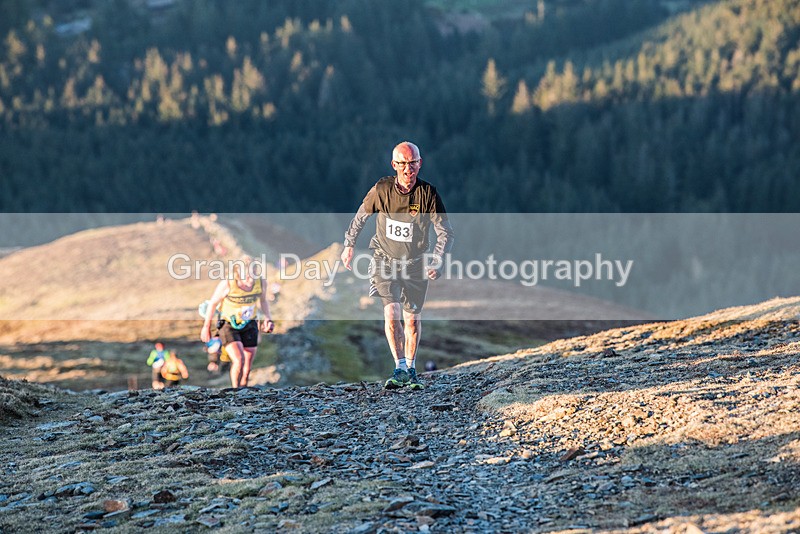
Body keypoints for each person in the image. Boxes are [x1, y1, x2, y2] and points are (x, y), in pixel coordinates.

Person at [342, 141, 454, 390]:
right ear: (394, 165)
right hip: (384, 260)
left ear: (419, 164)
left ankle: (412, 369)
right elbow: (361, 216)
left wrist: (437, 257)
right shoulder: (382, 189)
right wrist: (349, 244)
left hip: (415, 264)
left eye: (412, 163)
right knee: (392, 313)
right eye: (402, 164)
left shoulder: (428, 194)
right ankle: (399, 367)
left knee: (412, 320)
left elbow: (445, 232)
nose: (408, 169)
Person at [200, 256, 274, 388]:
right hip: (228, 324)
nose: (249, 280)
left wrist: (268, 318)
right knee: (239, 360)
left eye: (252, 274)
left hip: (250, 323)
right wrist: (206, 327)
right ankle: (236, 391)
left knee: (247, 366)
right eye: (246, 276)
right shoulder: (228, 283)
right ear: (238, 272)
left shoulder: (261, 282)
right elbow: (212, 304)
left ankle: (243, 388)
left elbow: (263, 301)